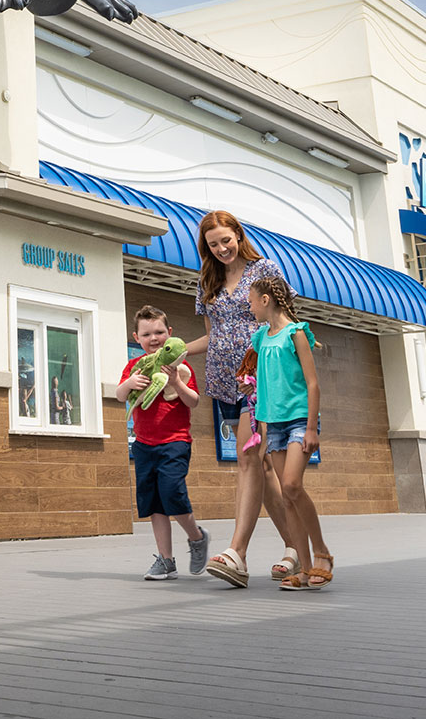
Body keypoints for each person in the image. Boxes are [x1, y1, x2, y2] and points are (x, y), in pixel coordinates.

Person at [180, 210, 298, 588]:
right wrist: (176, 351)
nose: (221, 249)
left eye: (225, 240)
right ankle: (296, 548)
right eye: (213, 244)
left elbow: (288, 323)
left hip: (260, 378)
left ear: (238, 235)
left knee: (249, 457)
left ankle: (237, 554)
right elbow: (214, 336)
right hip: (225, 383)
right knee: (260, 467)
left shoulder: (265, 270)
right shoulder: (208, 281)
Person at [248, 270, 334, 591]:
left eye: (252, 303)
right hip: (274, 427)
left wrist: (312, 427)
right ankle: (304, 566)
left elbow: (312, 383)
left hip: (300, 420)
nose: (251, 308)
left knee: (293, 485)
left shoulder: (296, 334)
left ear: (266, 300)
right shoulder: (261, 338)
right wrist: (262, 432)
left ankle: (322, 552)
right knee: (287, 496)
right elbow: (265, 388)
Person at [119, 305, 208, 581]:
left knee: (172, 492)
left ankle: (196, 537)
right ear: (137, 337)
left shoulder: (181, 367)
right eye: (147, 334)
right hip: (144, 444)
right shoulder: (135, 367)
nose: (154, 338)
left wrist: (175, 382)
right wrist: (130, 383)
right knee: (154, 504)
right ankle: (166, 560)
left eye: (159, 332)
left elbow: (193, 401)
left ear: (170, 334)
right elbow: (120, 395)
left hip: (175, 441)